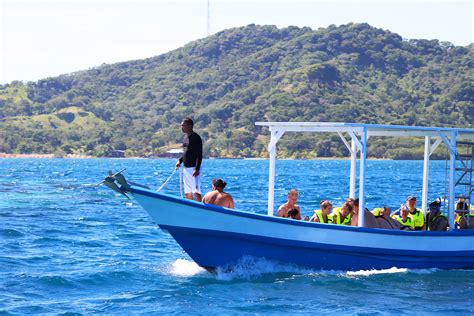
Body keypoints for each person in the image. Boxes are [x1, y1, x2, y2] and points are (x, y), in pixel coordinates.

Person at [175, 118, 203, 201]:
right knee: (187, 191)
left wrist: (197, 169)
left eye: (183, 125)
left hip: (194, 168)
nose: (182, 127)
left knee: (196, 190)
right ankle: (190, 206)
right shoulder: (185, 138)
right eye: (181, 126)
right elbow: (186, 152)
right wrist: (180, 161)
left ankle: (199, 207)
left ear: (190, 126)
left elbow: (199, 154)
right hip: (186, 168)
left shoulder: (196, 138)